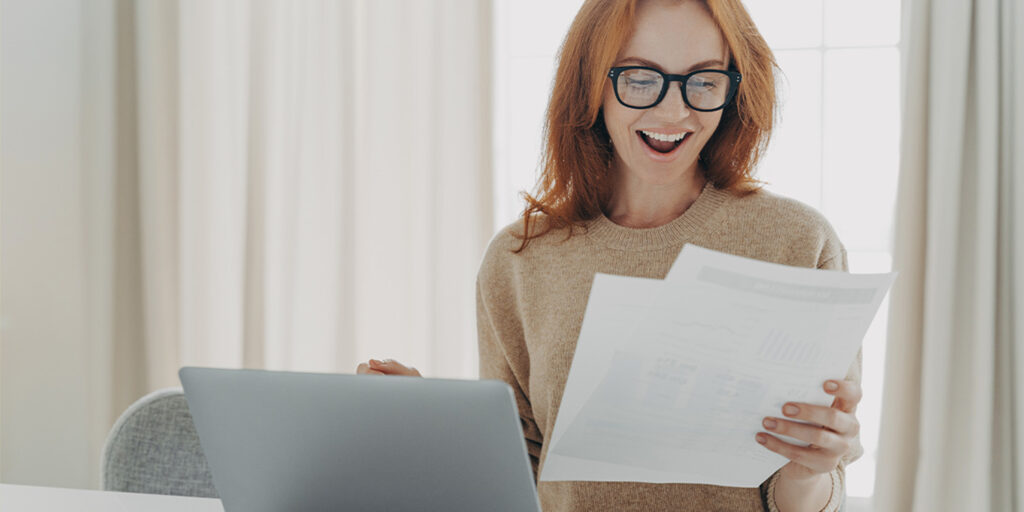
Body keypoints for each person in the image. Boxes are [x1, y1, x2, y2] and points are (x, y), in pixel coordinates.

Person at [357, 0, 862, 510]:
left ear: (734, 89)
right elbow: (519, 480)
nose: (673, 112)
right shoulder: (519, 260)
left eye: (704, 81)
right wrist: (435, 425)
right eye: (640, 79)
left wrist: (805, 473)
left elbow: (813, 493)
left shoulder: (798, 241)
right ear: (591, 84)